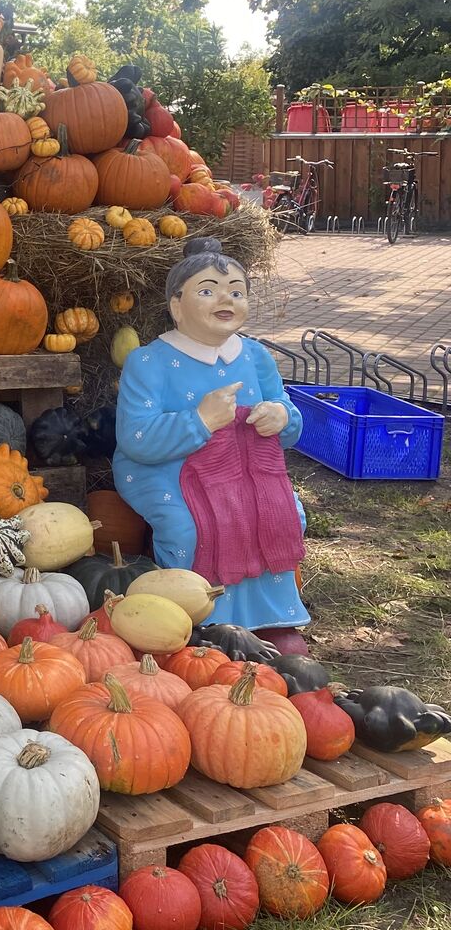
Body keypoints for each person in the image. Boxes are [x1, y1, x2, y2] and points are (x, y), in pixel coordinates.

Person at [113, 237, 309, 652]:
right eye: (207, 291)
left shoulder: (256, 356)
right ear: (177, 306)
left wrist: (281, 417)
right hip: (164, 465)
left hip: (244, 466)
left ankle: (273, 616)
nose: (226, 299)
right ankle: (196, 619)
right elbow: (136, 438)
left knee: (281, 512)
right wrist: (199, 421)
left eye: (236, 291)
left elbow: (290, 421)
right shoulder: (149, 361)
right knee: (189, 527)